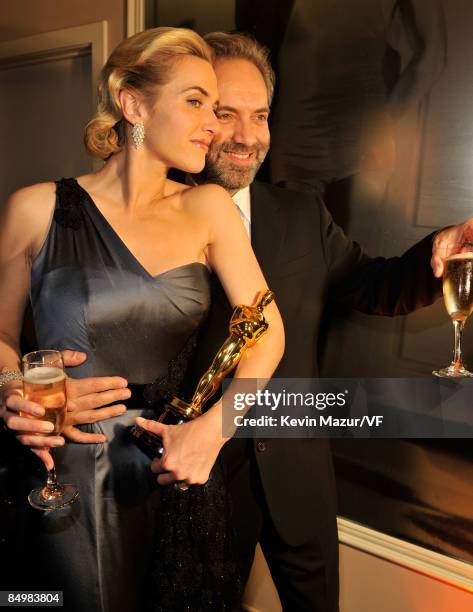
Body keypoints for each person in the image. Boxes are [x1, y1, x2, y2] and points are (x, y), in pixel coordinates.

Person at [140, 32, 473, 612]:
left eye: (261, 116)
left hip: (299, 472)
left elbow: (374, 286)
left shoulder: (298, 212)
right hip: (199, 482)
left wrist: (437, 250)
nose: (247, 136)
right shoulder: (145, 222)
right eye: (224, 113)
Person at [0, 27, 284, 612]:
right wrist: (14, 390)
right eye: (196, 102)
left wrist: (214, 430)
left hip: (168, 475)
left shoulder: (208, 210)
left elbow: (268, 332)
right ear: (134, 104)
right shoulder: (36, 210)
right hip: (57, 477)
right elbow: (0, 337)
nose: (215, 123)